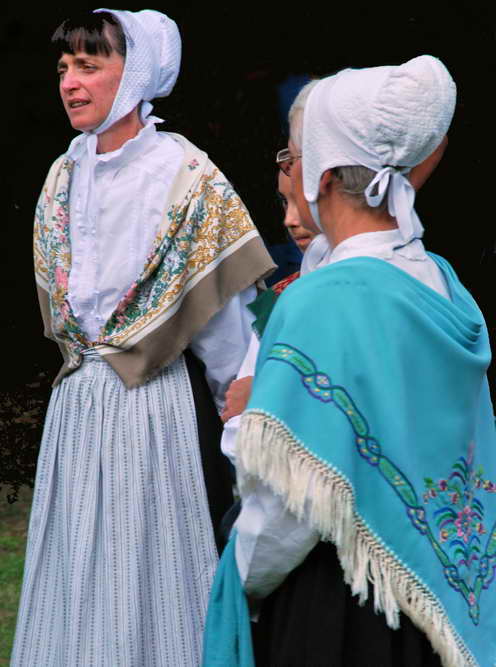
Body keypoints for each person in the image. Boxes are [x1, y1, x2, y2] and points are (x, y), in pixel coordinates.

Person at [203, 57, 496, 667]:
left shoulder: (324, 302)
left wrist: (241, 576)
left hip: (340, 609)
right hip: (422, 607)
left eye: (297, 153)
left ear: (328, 173)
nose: (289, 169)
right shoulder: (440, 280)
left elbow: (289, 508)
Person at [12, 9, 275, 667]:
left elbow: (223, 330)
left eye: (89, 65)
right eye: (65, 67)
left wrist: (241, 430)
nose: (71, 82)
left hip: (150, 408)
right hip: (78, 407)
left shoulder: (183, 177)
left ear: (136, 74)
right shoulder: (61, 178)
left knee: (148, 578)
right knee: (74, 579)